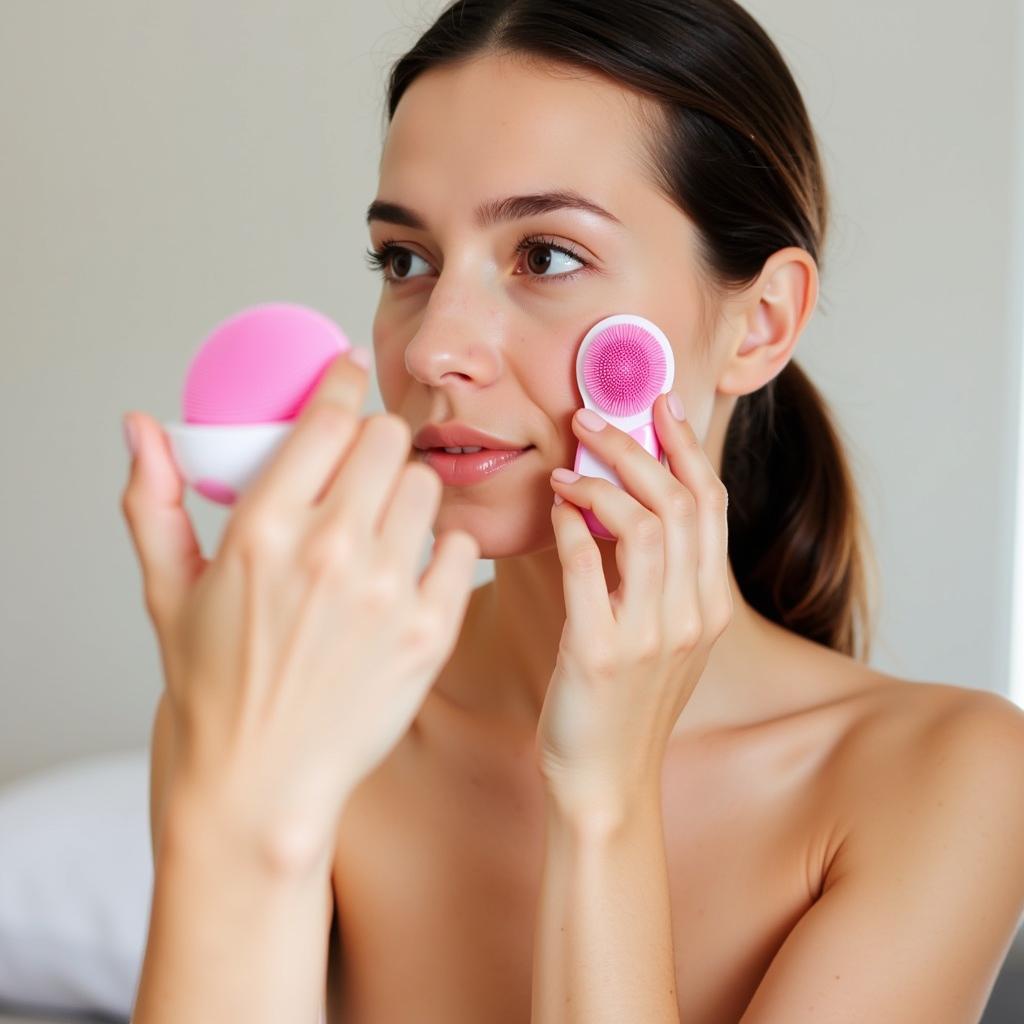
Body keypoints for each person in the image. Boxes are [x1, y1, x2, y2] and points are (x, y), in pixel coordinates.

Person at [120, 1, 1024, 1021]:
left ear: (760, 323)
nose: (430, 351)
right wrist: (247, 814)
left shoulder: (948, 776)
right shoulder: (291, 705)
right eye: (405, 261)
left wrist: (603, 802)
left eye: (544, 255)